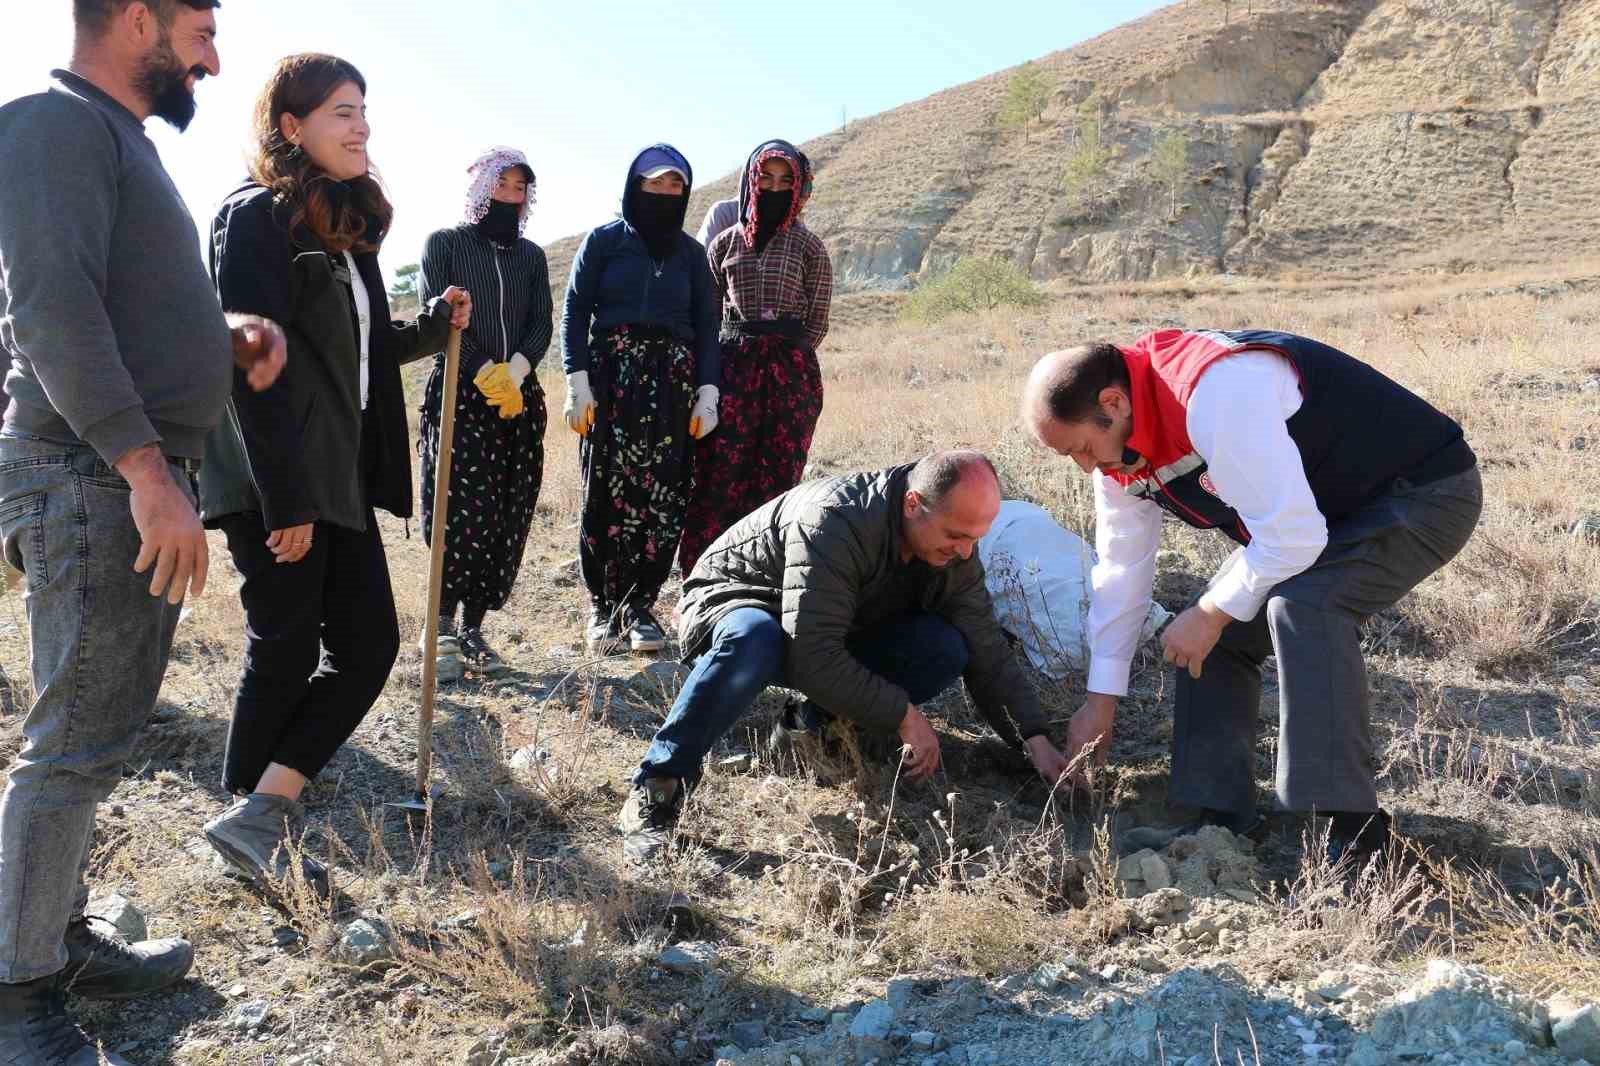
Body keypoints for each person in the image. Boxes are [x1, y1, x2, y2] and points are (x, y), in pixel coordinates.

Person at [0, 1, 286, 1060]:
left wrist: (221, 337)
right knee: (71, 746)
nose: (214, 57)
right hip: (90, 473)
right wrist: (144, 468)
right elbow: (50, 310)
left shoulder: (107, 138)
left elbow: (112, 302)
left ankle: (54, 935)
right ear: (133, 18)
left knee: (95, 730)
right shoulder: (51, 122)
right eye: (200, 27)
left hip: (109, 471)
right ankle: (19, 1003)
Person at [1020, 329, 1482, 862]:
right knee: (1212, 632)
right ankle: (1217, 820)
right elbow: (1121, 573)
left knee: (1304, 606)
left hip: (1421, 494)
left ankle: (1357, 839)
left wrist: (1210, 611)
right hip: (1321, 516)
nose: (1087, 467)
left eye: (1081, 448)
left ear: (1113, 402)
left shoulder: (1215, 394)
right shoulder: (1119, 451)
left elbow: (1294, 537)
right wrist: (1100, 701)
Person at [197, 53, 470, 895]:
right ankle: (252, 817)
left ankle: (259, 811)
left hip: (335, 473)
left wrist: (430, 326)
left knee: (368, 645)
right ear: (291, 126)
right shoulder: (254, 221)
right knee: (283, 644)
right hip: (276, 473)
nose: (362, 127)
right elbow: (250, 364)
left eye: (363, 111)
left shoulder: (339, 231)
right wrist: (284, 495)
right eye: (342, 112)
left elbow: (358, 352)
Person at [619, 451, 1074, 862]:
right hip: (740, 603)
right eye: (956, 535)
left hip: (831, 620)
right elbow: (813, 653)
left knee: (944, 646)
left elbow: (986, 648)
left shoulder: (952, 547)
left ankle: (811, 731)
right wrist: (902, 714)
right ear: (913, 504)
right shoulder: (835, 518)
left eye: (976, 539)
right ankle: (659, 785)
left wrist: (1032, 738)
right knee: (754, 639)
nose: (965, 552)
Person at [560, 144, 718, 654]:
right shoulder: (604, 242)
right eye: (656, 184)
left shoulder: (693, 256)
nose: (666, 193)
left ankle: (640, 605)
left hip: (673, 385)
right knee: (605, 487)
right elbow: (575, 312)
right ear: (635, 187)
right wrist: (577, 381)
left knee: (663, 494)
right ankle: (602, 606)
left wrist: (707, 393)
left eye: (676, 186)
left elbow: (708, 329)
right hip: (611, 380)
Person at [418, 146, 552, 676]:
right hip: (460, 393)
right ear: (481, 189)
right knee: (458, 512)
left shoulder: (531, 257)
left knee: (505, 511)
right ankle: (442, 627)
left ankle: (474, 628)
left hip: (517, 401)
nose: (511, 197)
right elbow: (437, 314)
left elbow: (540, 321)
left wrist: (514, 374)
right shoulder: (445, 244)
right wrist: (480, 370)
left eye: (520, 190)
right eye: (503, 187)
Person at [678, 139, 833, 574]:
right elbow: (706, 317)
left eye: (786, 180)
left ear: (798, 185)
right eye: (766, 177)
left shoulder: (810, 248)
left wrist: (787, 364)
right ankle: (704, 575)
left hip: (790, 377)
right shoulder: (723, 245)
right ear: (751, 180)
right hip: (731, 371)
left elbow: (818, 321)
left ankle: (764, 578)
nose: (775, 186)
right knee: (717, 475)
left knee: (777, 479)